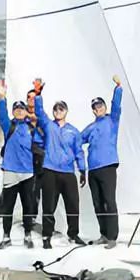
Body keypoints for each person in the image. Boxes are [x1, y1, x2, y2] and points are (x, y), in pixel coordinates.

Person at [33, 84, 87, 249]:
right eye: (56, 110)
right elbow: (39, 112)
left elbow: (79, 151)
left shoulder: (73, 131)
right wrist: (38, 94)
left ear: (66, 111)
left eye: (61, 109)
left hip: (68, 172)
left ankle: (73, 234)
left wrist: (83, 170)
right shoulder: (49, 125)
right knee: (49, 205)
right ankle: (47, 236)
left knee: (73, 204)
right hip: (50, 170)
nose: (58, 112)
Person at [0, 81, 38, 250]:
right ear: (13, 112)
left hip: (27, 173)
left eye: (21, 109)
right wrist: (2, 97)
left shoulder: (31, 127)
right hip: (11, 172)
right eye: (16, 109)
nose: (19, 111)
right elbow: (1, 116)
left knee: (28, 206)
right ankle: (6, 237)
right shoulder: (9, 126)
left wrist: (37, 95)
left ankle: (28, 235)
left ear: (26, 111)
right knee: (8, 206)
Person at [81, 75, 123, 248]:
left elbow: (117, 105)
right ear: (93, 110)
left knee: (109, 200)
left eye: (100, 105)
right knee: (97, 202)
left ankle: (112, 237)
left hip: (108, 166)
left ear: (104, 107)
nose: (98, 108)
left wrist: (118, 88)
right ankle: (104, 234)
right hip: (93, 169)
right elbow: (77, 140)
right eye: (95, 107)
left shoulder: (112, 120)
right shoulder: (91, 127)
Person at [26, 86, 46, 204]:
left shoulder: (42, 118)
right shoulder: (21, 117)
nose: (31, 100)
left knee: (37, 185)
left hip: (39, 153)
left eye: (34, 98)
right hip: (26, 153)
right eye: (29, 97)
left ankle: (34, 213)